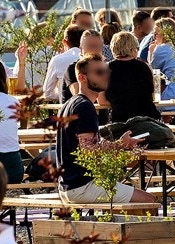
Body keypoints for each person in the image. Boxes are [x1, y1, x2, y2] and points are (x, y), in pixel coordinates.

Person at [57, 54, 157, 206]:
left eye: (106, 71)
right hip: (82, 186)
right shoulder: (85, 106)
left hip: (69, 186)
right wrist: (119, 145)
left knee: (136, 196)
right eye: (99, 72)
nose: (106, 76)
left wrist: (119, 143)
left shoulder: (71, 104)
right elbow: (88, 151)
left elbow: (88, 142)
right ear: (82, 78)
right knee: (149, 200)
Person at [105, 30, 159, 127]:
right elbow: (151, 93)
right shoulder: (145, 67)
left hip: (121, 120)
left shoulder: (107, 69)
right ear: (133, 49)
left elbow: (102, 100)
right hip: (148, 119)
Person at [41, 25, 85, 102]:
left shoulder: (57, 60)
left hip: (66, 105)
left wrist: (61, 93)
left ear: (64, 42)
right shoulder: (92, 58)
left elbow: (47, 93)